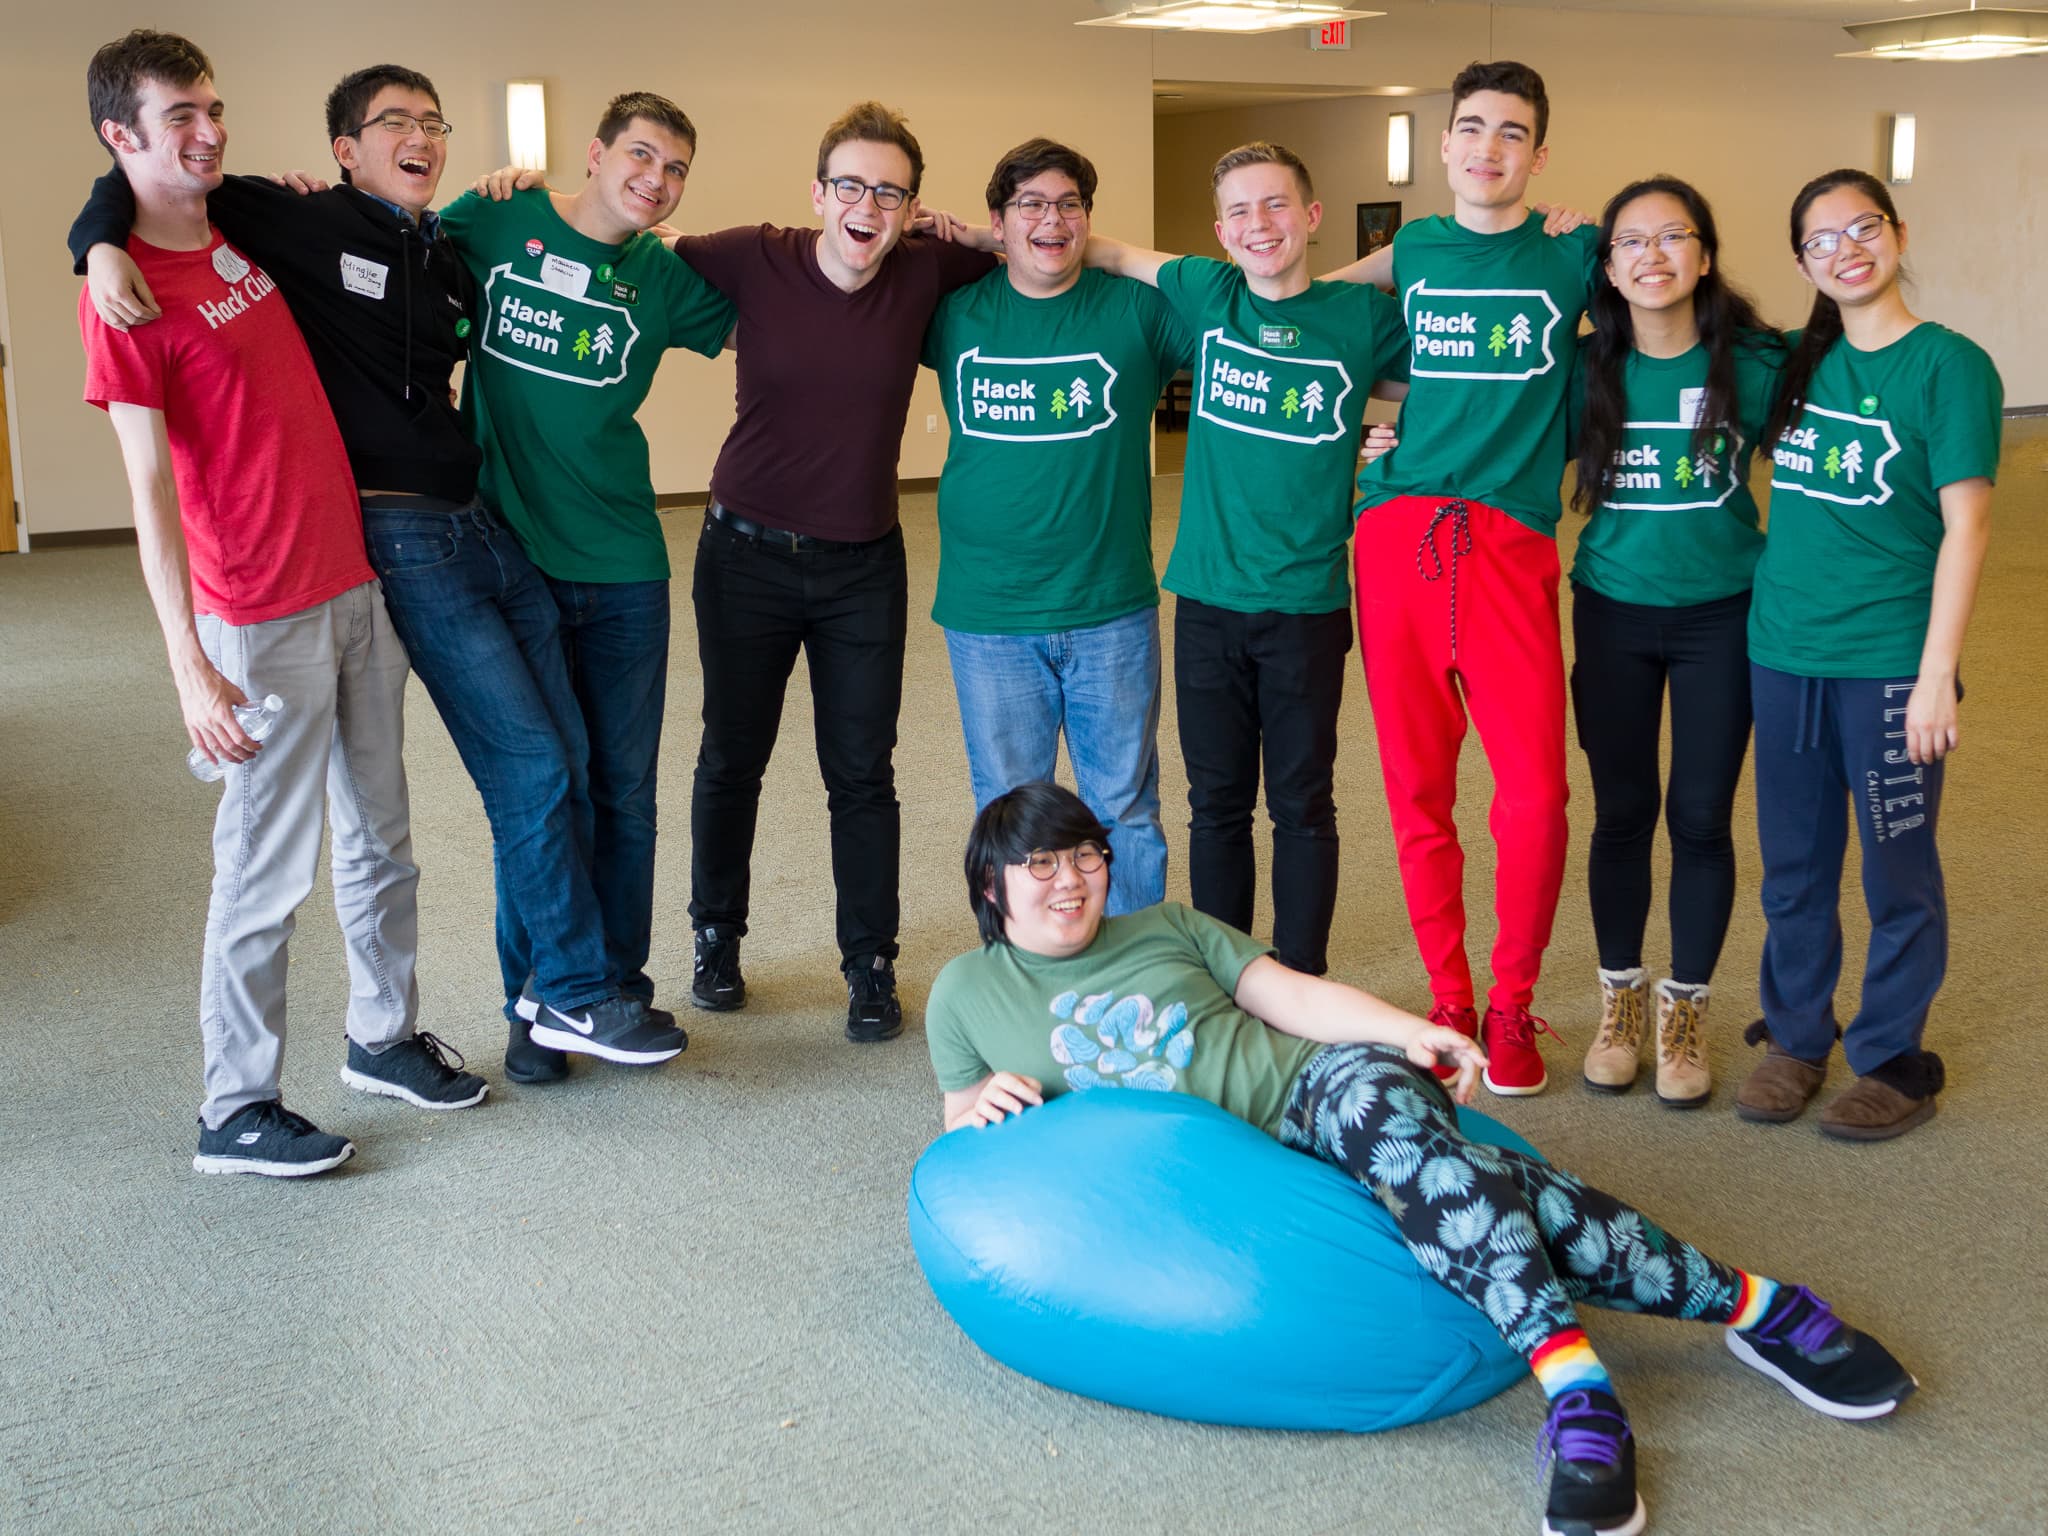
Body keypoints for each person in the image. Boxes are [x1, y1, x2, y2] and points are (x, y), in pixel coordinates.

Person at [928, 783, 1917, 1536]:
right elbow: (956, 1127)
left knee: (1421, 1160)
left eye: (1085, 856)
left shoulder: (1171, 928)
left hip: (1315, 1094)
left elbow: (1294, 1001)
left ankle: (1580, 1399)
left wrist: (1411, 1033)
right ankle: (1762, 1308)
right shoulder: (963, 994)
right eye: (1041, 866)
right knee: (1499, 1189)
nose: (1070, 881)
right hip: (1220, 1185)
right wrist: (975, 1104)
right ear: (992, 883)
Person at [69, 65, 664, 1085]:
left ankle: (528, 1003)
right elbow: (152, 177)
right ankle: (569, 989)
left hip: (468, 527)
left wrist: (529, 189)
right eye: (395, 122)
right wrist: (98, 244)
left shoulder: (447, 250)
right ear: (345, 150)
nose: (420, 136)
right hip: (391, 540)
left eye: (433, 122)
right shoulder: (293, 221)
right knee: (525, 766)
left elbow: (548, 236)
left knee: (557, 761)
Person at [76, 30, 485, 1177]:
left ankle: (381, 1034)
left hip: (350, 581)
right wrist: (188, 664)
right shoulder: (125, 297)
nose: (207, 134)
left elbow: (176, 196)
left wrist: (108, 223)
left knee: (382, 840)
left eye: (213, 109)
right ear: (122, 139)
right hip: (256, 616)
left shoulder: (236, 236)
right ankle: (235, 1106)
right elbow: (148, 496)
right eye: (177, 119)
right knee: (264, 868)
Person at [1367, 178, 1782, 1105]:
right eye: (1630, 241)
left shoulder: (1746, 361)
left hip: (1721, 614)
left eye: (1675, 238)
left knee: (1697, 816)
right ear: (1605, 266)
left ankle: (1682, 1016)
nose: (1652, 256)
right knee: (1616, 810)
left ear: (1706, 255)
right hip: (1610, 606)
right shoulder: (1582, 368)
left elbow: (1842, 408)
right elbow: (1473, 402)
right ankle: (1606, 1006)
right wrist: (1392, 448)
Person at [675, 102, 996, 1039]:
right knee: (732, 758)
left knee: (861, 771)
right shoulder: (754, 256)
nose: (866, 205)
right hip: (742, 556)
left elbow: (1041, 245)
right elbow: (636, 230)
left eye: (889, 191)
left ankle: (870, 960)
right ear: (818, 196)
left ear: (910, 207)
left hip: (863, 566)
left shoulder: (930, 269)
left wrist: (964, 229)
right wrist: (535, 190)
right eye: (850, 186)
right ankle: (716, 938)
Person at [452, 93, 738, 1067]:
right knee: (541, 791)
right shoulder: (495, 218)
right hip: (511, 559)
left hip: (622, 564)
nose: (654, 181)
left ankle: (613, 990)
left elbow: (792, 321)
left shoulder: (665, 279)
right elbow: (386, 243)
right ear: (596, 153)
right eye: (641, 156)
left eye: (674, 169)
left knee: (621, 794)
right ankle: (534, 1003)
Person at [1081, 142, 1409, 978]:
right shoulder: (1208, 292)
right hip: (1207, 601)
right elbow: (1109, 250)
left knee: (1302, 803)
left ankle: (1299, 973)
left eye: (1275, 205)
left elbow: (1452, 379)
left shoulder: (1360, 318)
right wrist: (968, 234)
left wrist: (1403, 436)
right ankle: (1229, 971)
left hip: (1306, 604)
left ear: (1312, 216)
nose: (1258, 224)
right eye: (1239, 212)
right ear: (1220, 232)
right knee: (1216, 804)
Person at [1344, 61, 1600, 1096]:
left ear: (1537, 157)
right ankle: (1446, 997)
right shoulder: (1410, 249)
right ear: (1444, 146)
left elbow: (1670, 290)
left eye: (1511, 133)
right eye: (1471, 128)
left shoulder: (1573, 254)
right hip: (1396, 541)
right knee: (1415, 790)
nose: (1487, 147)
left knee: (1534, 794)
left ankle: (1510, 1000)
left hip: (1506, 549)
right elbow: (1308, 304)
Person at [1737, 169, 2000, 1141]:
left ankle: (1891, 1056)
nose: (1843, 249)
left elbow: (1966, 526)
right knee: (1793, 865)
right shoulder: (1792, 367)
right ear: (1800, 260)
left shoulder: (1946, 365)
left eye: (1860, 228)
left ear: (1896, 233)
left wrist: (1935, 672)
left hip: (1889, 662)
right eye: (1819, 239)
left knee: (1896, 868)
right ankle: (1796, 1037)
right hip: (1782, 653)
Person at [921, 137, 1195, 915]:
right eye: (1030, 205)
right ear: (997, 221)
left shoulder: (1136, 310)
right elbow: (842, 283)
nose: (1052, 219)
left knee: (1126, 808)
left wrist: (1110, 253)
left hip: (1110, 605)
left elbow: (1237, 300)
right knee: (1010, 810)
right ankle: (1030, 972)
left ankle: (1135, 975)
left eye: (1069, 204)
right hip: (990, 613)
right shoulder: (953, 314)